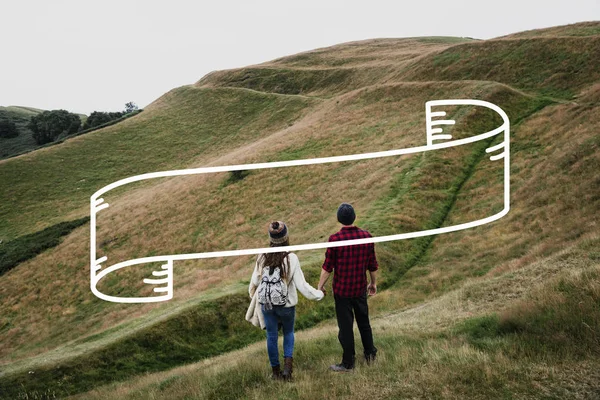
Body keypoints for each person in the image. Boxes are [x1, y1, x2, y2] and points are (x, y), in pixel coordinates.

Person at [248, 221, 325, 381]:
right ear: (286, 237)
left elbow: (254, 281)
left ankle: (275, 373)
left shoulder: (262, 256)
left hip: (267, 305)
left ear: (270, 238)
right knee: (288, 333)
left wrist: (255, 298)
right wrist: (320, 294)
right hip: (286, 306)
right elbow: (302, 286)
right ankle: (287, 371)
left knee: (271, 336)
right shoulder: (291, 258)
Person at [318, 203, 378, 372]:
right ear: (354, 217)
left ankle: (348, 363)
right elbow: (372, 265)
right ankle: (370, 355)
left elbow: (327, 267)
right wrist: (372, 283)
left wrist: (319, 286)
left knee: (346, 328)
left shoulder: (335, 240)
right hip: (359, 289)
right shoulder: (367, 237)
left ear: (339, 219)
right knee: (364, 323)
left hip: (342, 291)